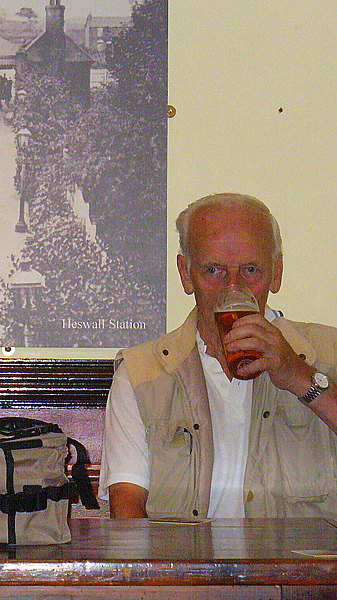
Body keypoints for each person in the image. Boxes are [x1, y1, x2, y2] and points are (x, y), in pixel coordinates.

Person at [99, 193, 337, 520]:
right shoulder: (142, 373)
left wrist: (298, 375)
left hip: (298, 555)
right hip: (184, 555)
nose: (233, 288)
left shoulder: (329, 352)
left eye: (250, 269)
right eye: (214, 270)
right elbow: (127, 504)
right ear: (186, 274)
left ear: (276, 272)